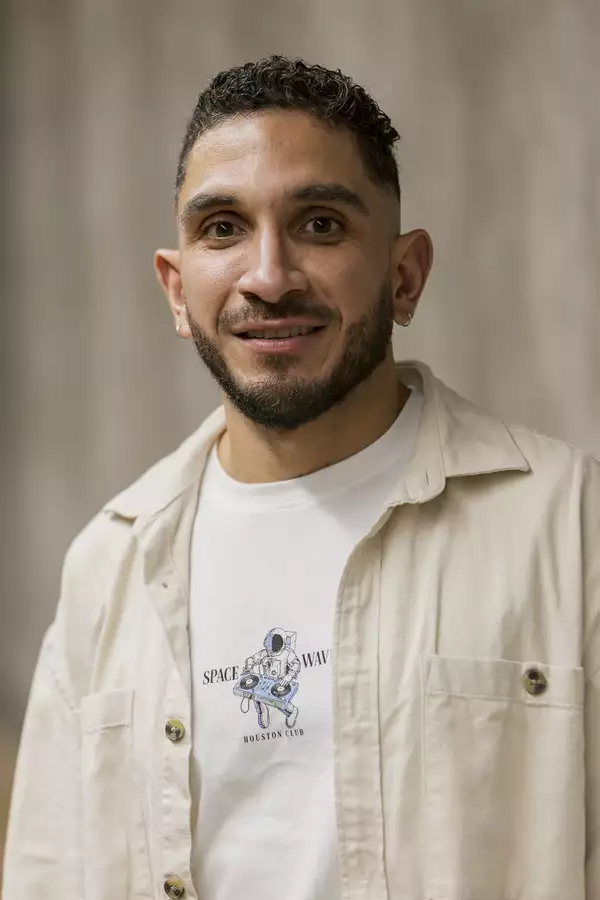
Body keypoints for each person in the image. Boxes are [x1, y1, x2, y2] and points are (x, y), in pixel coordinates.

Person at [3, 54, 599, 900]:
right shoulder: (108, 568)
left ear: (404, 275)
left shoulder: (572, 526)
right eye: (222, 228)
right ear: (176, 288)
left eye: (320, 224)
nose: (268, 277)